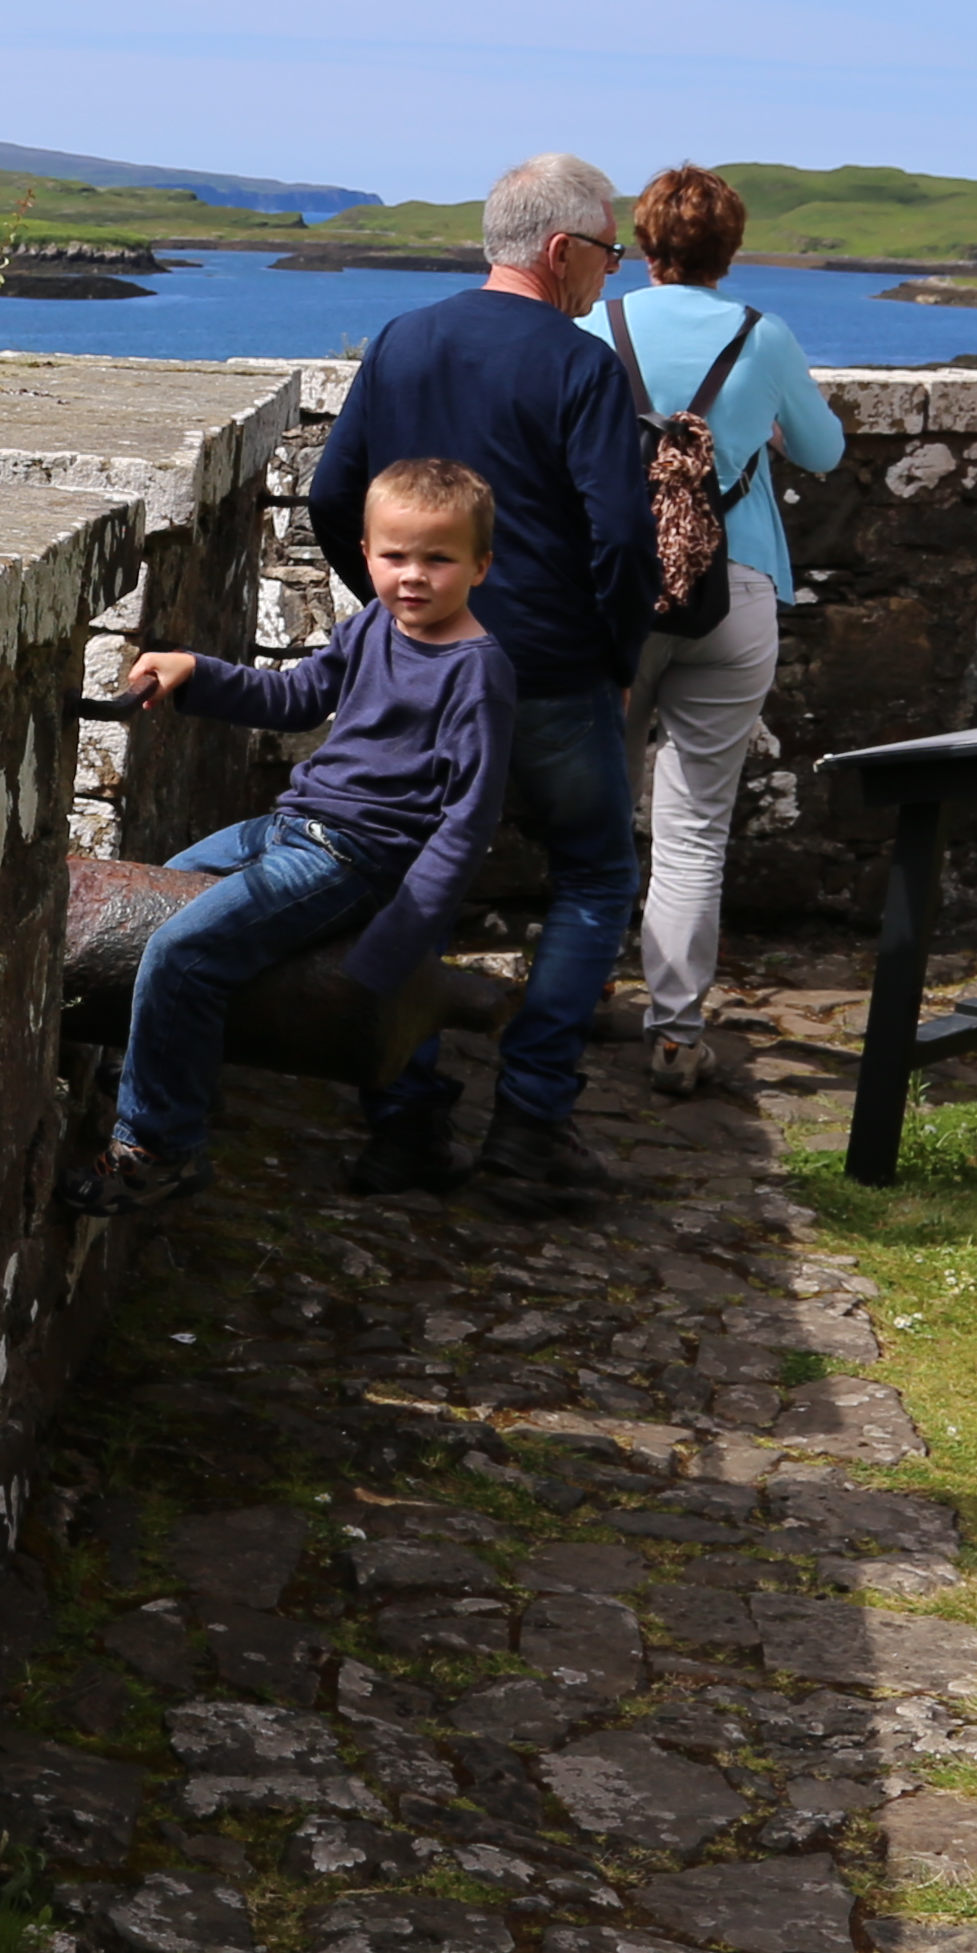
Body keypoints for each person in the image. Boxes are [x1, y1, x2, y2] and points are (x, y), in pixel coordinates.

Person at [304, 152, 651, 1205]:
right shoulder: (581, 365)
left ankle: (404, 1124)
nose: (613, 273)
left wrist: (396, 619)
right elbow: (623, 541)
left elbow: (333, 496)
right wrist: (618, 659)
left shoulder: (407, 339)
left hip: (424, 670)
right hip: (547, 672)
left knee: (403, 888)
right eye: (608, 252)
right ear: (560, 251)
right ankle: (531, 1123)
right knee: (592, 879)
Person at [89, 458, 519, 1214]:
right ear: (365, 555)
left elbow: (468, 818)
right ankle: (175, 1081)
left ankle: (160, 1146)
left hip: (353, 858)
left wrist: (400, 942)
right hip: (287, 827)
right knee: (152, 902)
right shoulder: (371, 628)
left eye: (438, 559)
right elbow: (295, 699)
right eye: (394, 557)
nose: (412, 577)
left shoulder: (476, 672)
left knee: (182, 949)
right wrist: (198, 672)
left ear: (481, 566)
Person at [602, 166, 848, 1095]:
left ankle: (579, 990)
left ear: (644, 241)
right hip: (734, 590)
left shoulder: (598, 326)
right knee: (695, 826)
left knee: (599, 803)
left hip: (616, 598)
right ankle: (674, 1031)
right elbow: (823, 451)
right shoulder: (763, 334)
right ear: (730, 250)